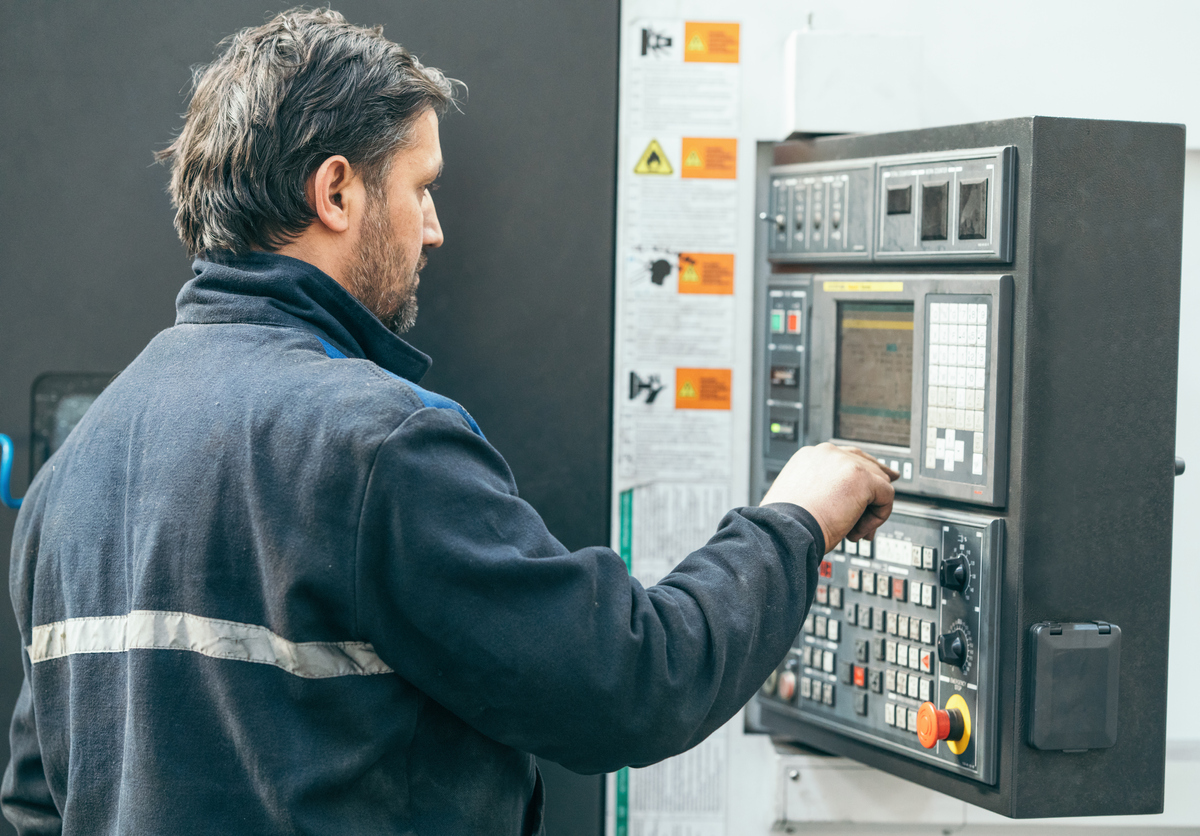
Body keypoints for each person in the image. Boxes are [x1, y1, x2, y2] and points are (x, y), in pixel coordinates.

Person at [2, 9, 896, 835]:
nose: (433, 229)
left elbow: (38, 806)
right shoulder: (375, 448)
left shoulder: (71, 474)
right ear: (338, 194)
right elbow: (627, 685)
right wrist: (792, 523)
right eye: (420, 186)